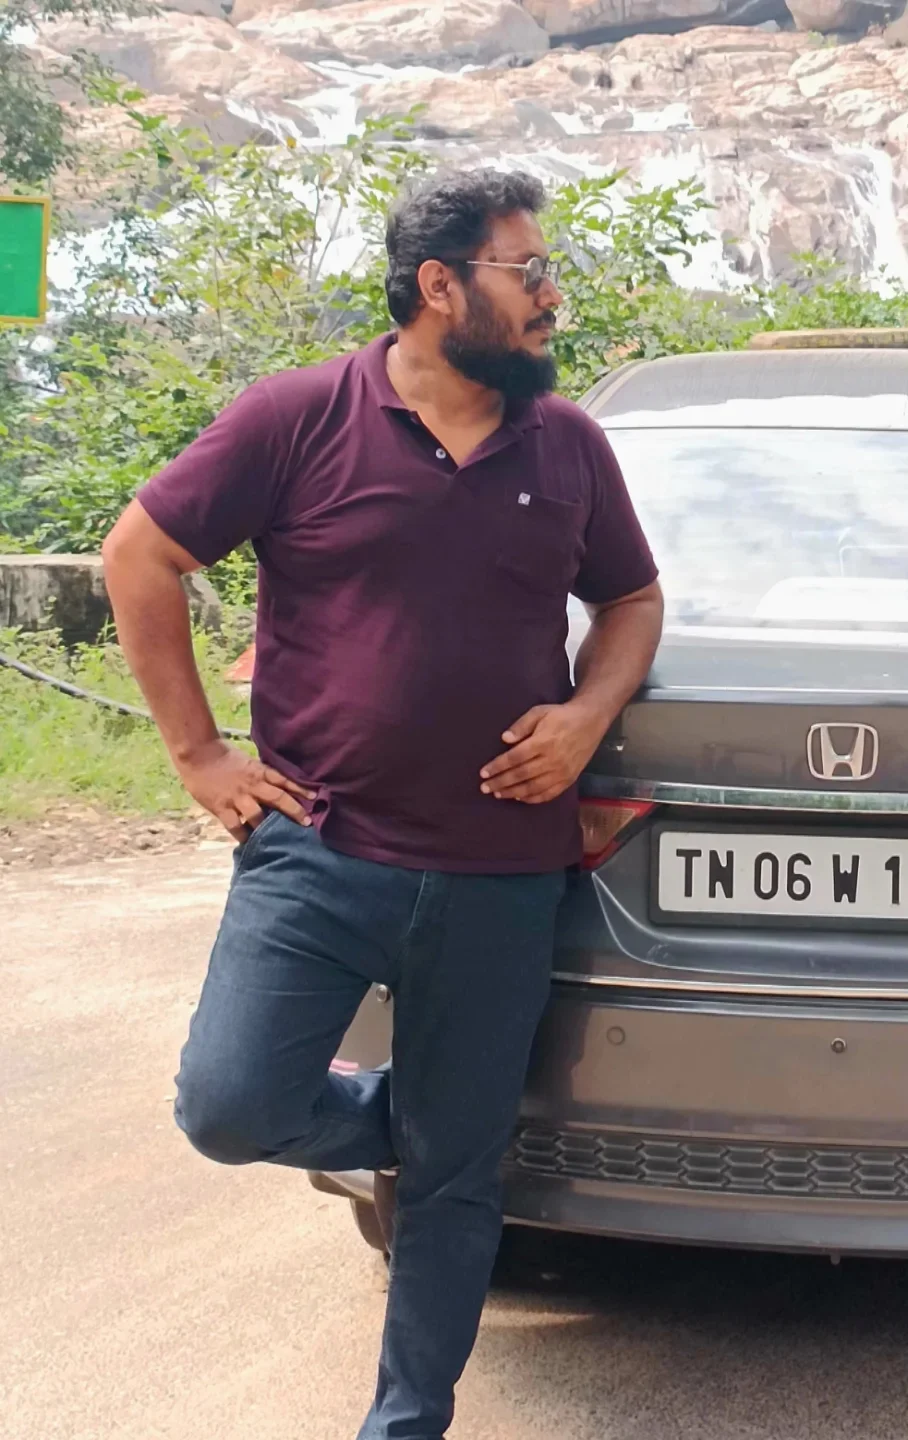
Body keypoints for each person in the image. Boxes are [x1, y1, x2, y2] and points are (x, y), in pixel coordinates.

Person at [101, 168, 664, 1439]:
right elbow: (139, 555)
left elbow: (631, 599)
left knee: (459, 1181)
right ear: (440, 286)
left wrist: (583, 718)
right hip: (321, 854)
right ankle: (407, 1118)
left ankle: (406, 1421)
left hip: (501, 874)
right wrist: (198, 756)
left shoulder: (566, 441)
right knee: (231, 1106)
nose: (553, 295)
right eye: (529, 272)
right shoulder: (298, 417)